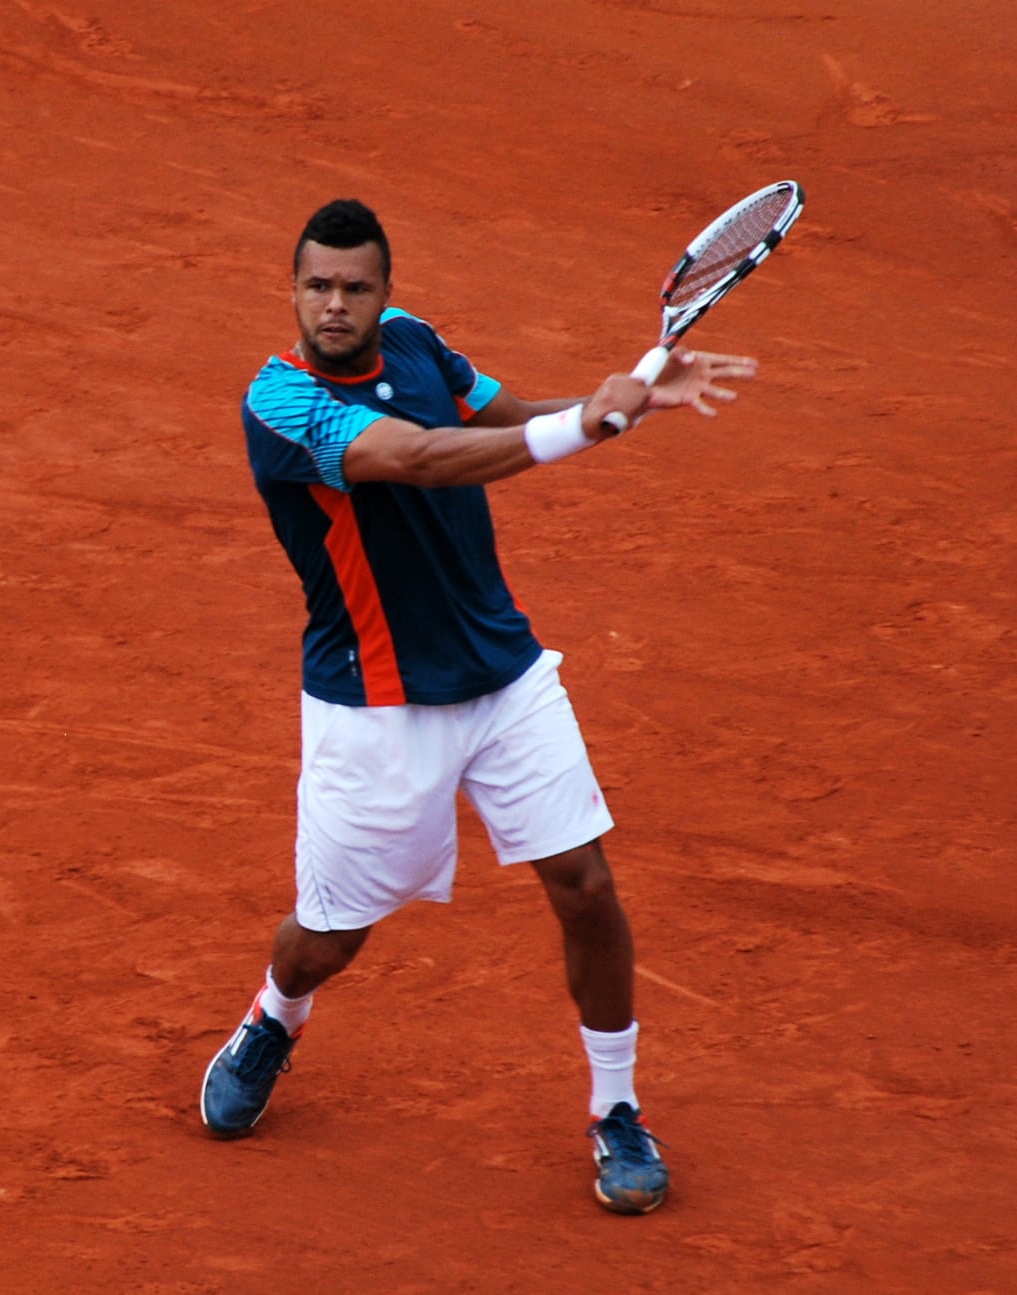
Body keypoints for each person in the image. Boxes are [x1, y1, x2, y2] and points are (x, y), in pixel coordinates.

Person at [200, 198, 756, 1214]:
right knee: (329, 936)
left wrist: (619, 397)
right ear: (290, 291)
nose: (334, 303)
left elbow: (487, 415)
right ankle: (275, 1015)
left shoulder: (414, 343)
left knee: (584, 882)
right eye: (316, 285)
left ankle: (615, 1108)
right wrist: (583, 427)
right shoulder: (280, 407)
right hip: (371, 707)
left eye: (354, 286)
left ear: (383, 290)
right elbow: (414, 456)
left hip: (502, 675)